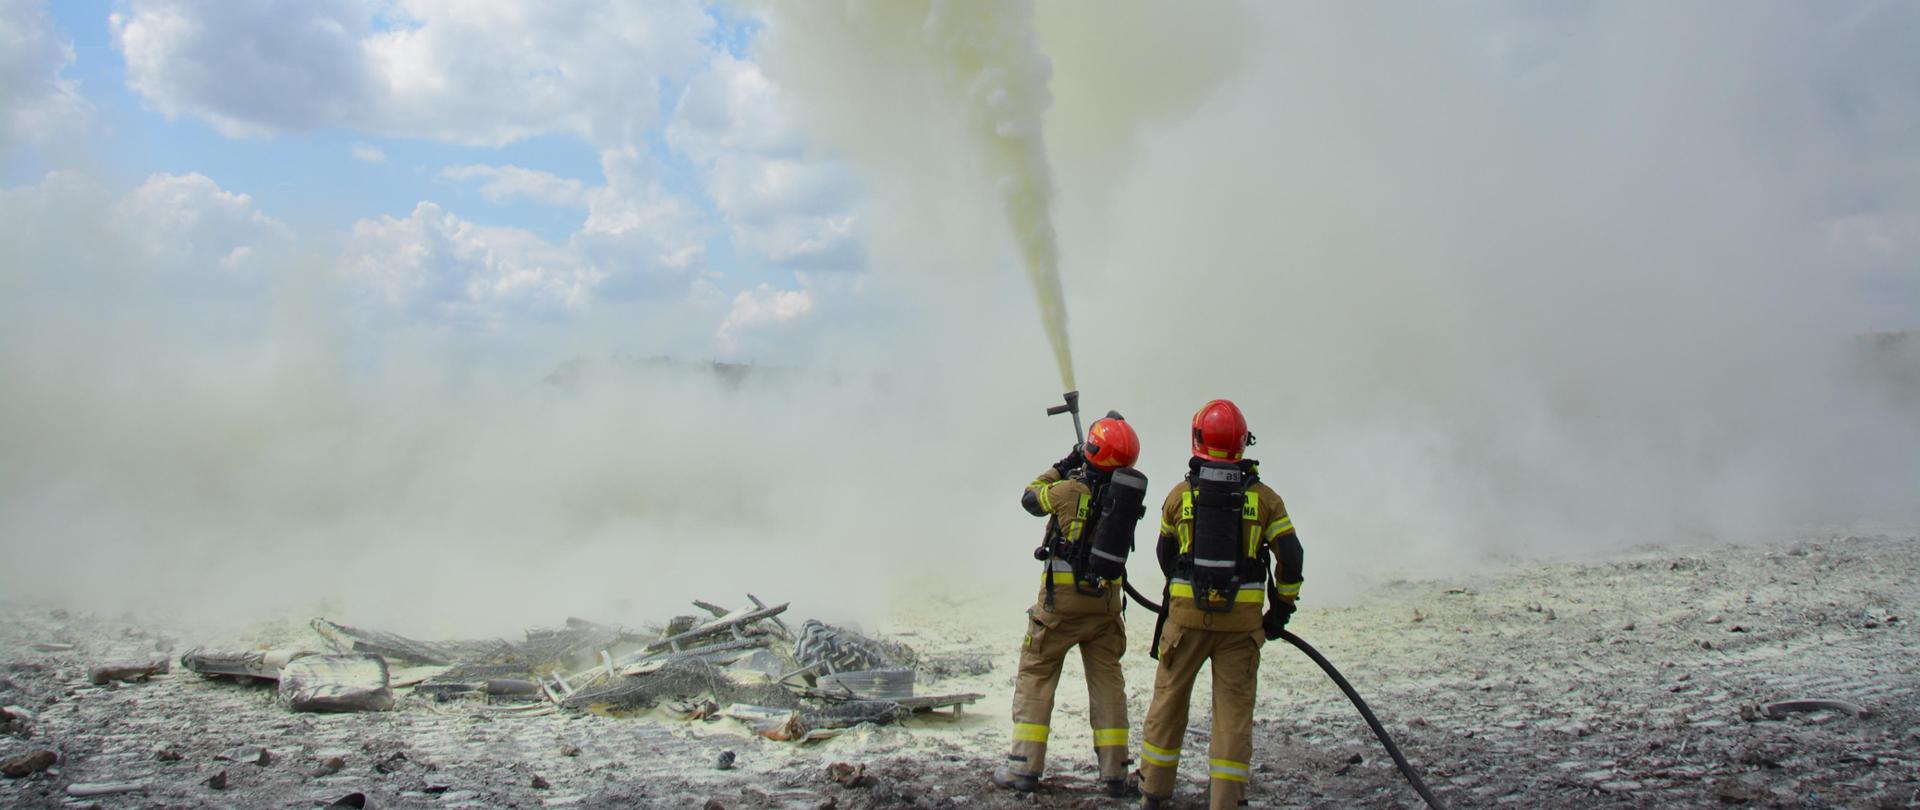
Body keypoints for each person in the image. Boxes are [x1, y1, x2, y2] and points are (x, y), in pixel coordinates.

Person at [1138, 399, 1304, 809]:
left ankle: (1154, 793)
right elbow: (1292, 557)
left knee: (1169, 704)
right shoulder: (1266, 500)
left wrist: (1186, 595)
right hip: (1241, 630)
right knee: (1232, 716)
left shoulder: (1179, 496)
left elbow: (1165, 555)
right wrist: (1279, 612)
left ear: (1198, 440)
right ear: (1240, 444)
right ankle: (1226, 801)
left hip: (1185, 624)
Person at [993, 414, 1143, 799]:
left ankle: (1024, 768)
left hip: (1060, 609)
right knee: (1108, 685)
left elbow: (1030, 497)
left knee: (1037, 676)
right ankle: (1114, 774)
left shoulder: (1064, 491)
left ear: (1090, 452)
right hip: (1105, 608)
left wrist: (1063, 464)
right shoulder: (1124, 502)